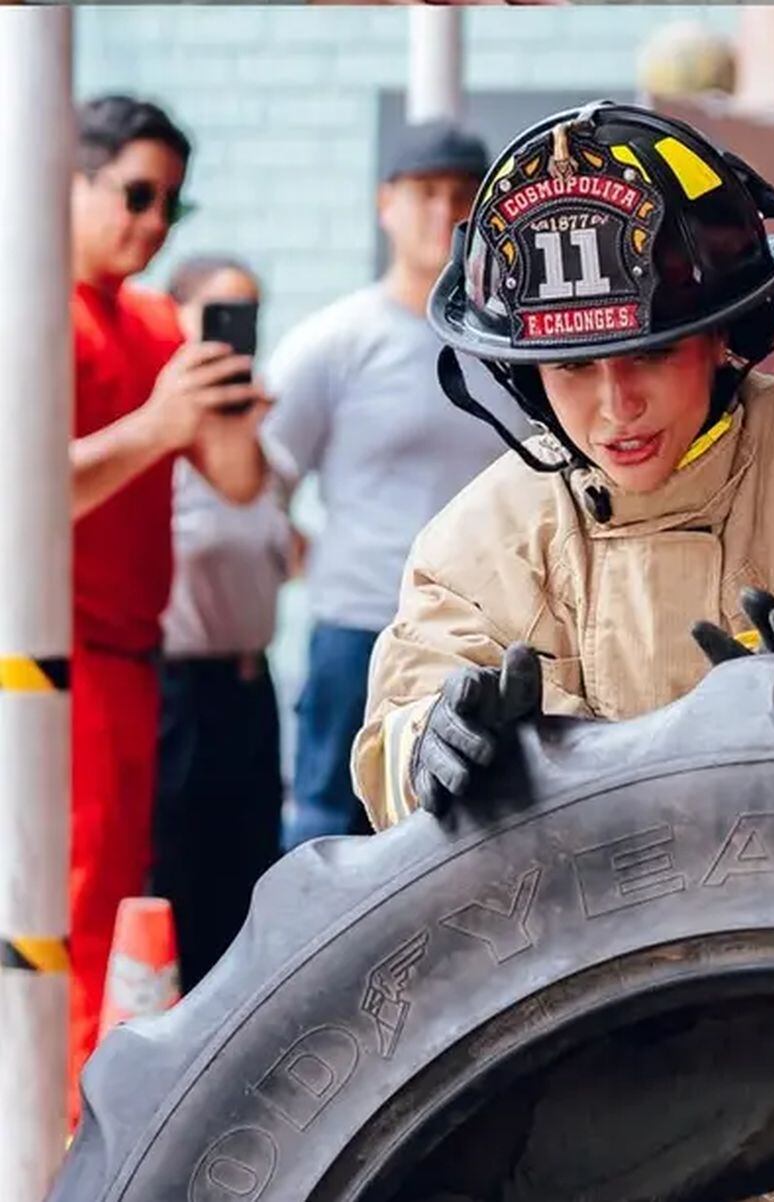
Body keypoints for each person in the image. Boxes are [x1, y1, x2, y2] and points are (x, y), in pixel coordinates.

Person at [349, 100, 774, 1202]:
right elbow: (401, 730)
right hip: (605, 1104)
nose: (616, 406)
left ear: (730, 329)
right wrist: (431, 749)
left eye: (650, 352)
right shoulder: (483, 538)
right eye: (574, 371)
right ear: (524, 373)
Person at [67, 96, 270, 1117]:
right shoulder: (32, 306)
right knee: (69, 906)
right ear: (73, 177)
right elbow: (27, 497)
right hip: (54, 662)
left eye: (169, 207)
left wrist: (225, 405)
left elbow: (236, 479)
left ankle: (86, 1119)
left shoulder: (152, 319)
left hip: (136, 657)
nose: (151, 225)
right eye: (136, 195)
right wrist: (161, 424)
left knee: (122, 902)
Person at [261, 119, 528, 850]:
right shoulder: (334, 342)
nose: (443, 213)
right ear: (387, 203)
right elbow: (259, 483)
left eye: (461, 196)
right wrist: (321, 563)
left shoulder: (511, 345)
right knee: (329, 828)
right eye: (425, 193)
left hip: (488, 634)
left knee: (475, 829)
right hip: (358, 627)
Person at [151, 255, 292, 990]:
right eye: (217, 313)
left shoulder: (254, 442)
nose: (235, 333)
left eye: (248, 315)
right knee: (177, 877)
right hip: (180, 687)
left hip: (249, 687)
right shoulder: (160, 436)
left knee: (248, 877)